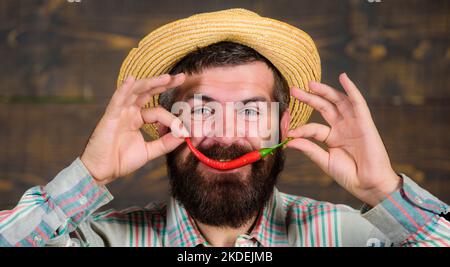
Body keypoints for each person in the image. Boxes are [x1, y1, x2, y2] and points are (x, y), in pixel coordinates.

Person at [0, 9, 448, 247]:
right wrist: (89, 175)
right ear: (165, 126)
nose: (227, 135)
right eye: (202, 111)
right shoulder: (95, 241)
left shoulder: (357, 238)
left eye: (252, 112)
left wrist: (385, 193)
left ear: (282, 129)